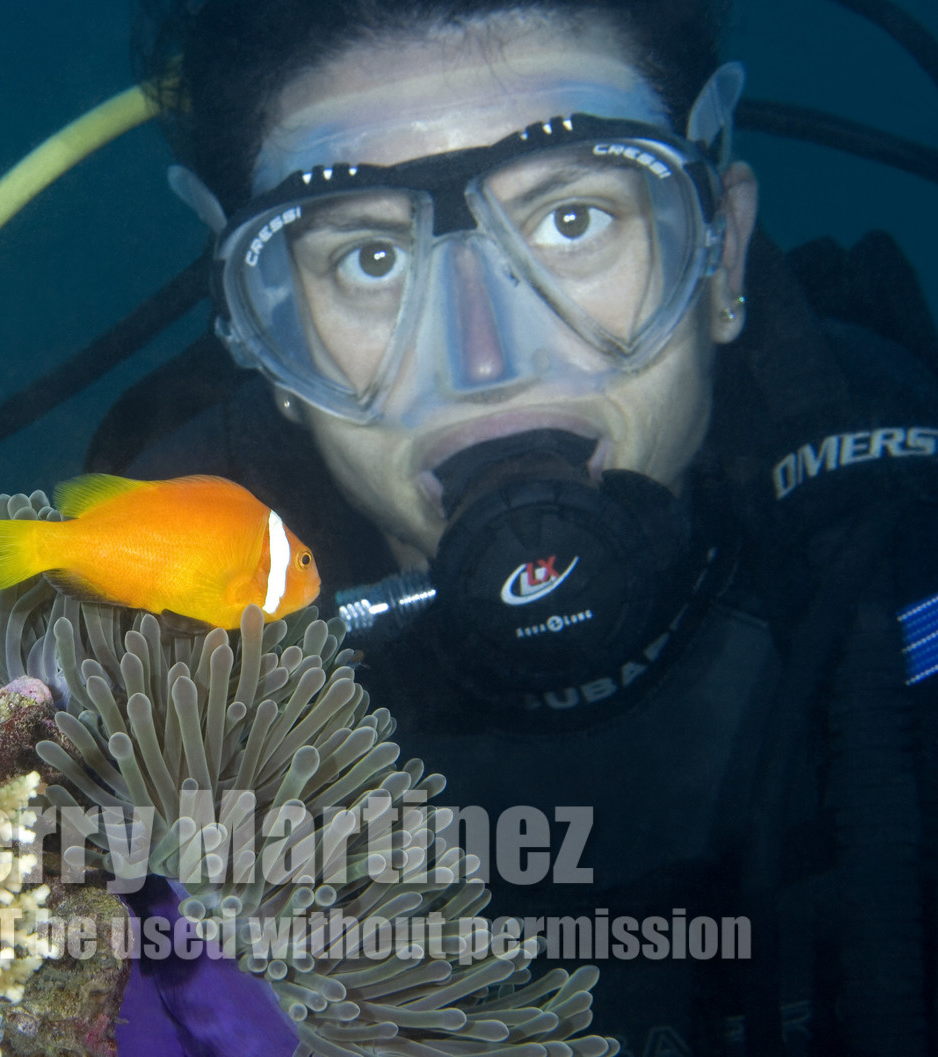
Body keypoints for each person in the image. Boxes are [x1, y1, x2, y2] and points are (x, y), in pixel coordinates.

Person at [95, 0, 938, 1053]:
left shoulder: (904, 529)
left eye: (572, 220)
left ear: (720, 255)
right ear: (264, 338)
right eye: (368, 259)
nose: (483, 360)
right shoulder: (152, 650)